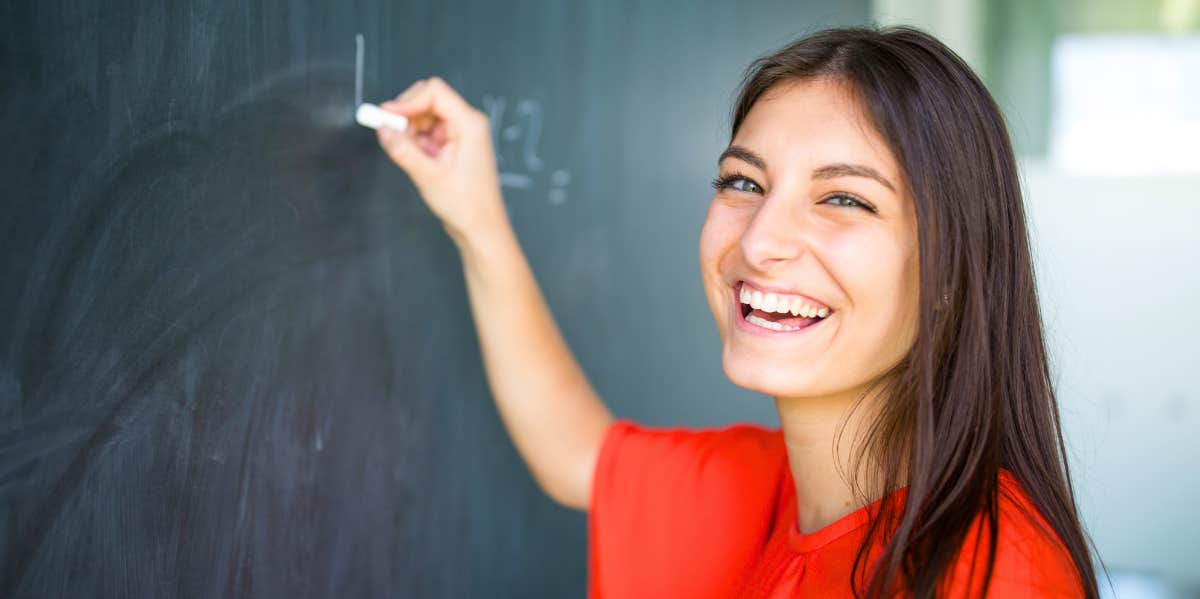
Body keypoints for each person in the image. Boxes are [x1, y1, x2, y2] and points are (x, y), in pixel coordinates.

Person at [371, 25, 1100, 599]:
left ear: (952, 269)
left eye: (843, 198)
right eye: (743, 182)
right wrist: (476, 218)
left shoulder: (993, 575)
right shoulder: (767, 487)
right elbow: (578, 456)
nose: (760, 240)